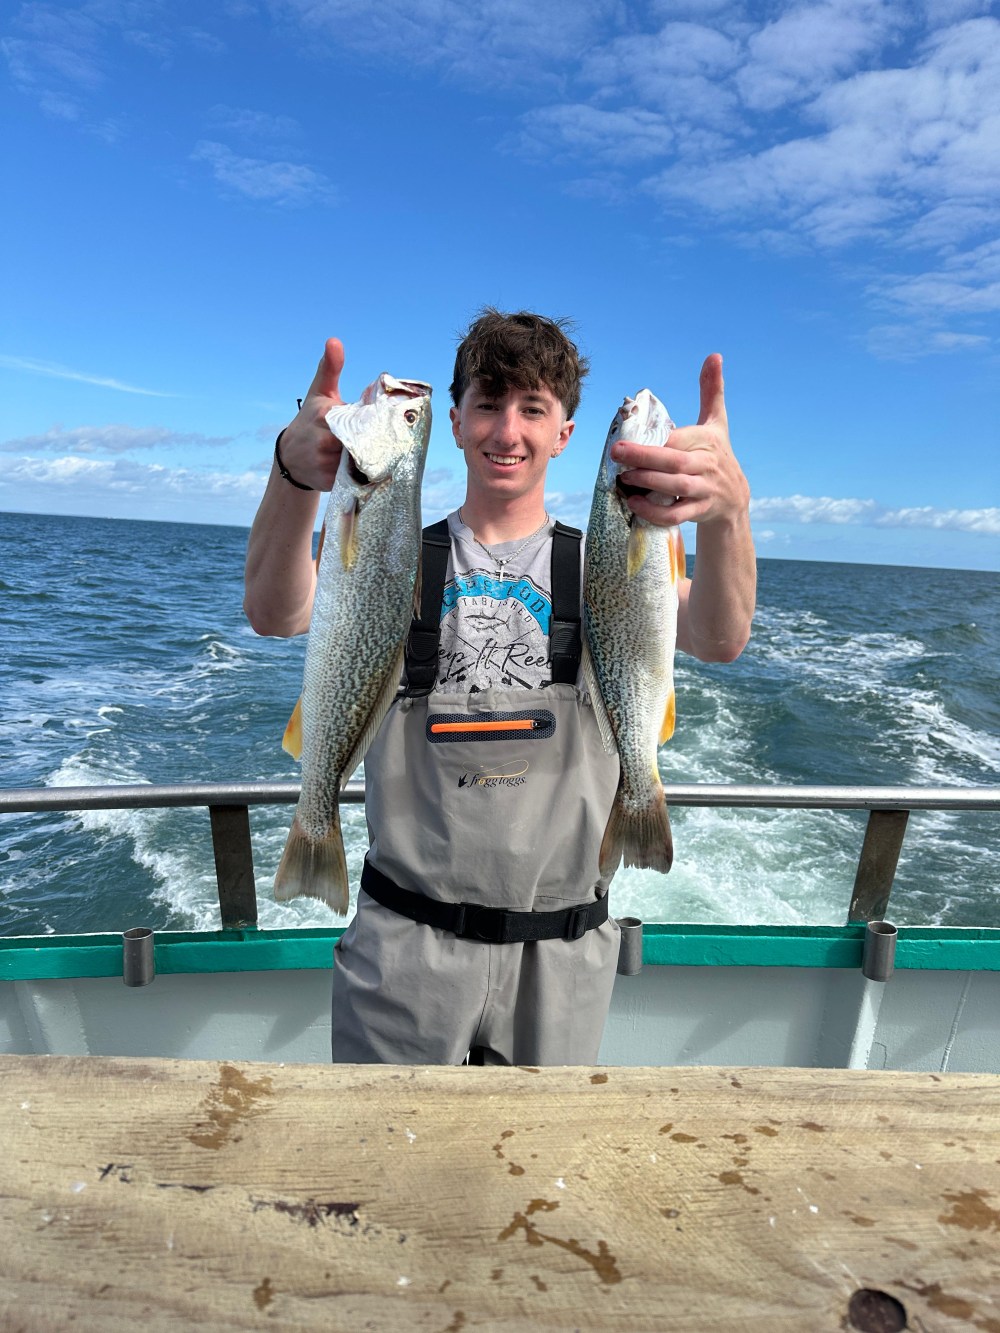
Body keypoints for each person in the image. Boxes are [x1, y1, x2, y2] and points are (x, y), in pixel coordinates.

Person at [244, 310, 755, 1065]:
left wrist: (729, 510)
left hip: (564, 956)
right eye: (488, 403)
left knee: (537, 1181)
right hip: (401, 952)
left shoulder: (606, 564)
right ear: (453, 422)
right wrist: (292, 472)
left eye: (532, 408)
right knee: (388, 1170)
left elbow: (719, 636)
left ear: (566, 434)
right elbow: (273, 609)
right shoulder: (394, 549)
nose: (506, 430)